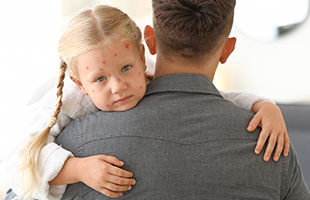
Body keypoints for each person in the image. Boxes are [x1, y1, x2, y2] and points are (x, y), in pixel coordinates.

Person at [2, 3, 295, 200]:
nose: (118, 87)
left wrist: (263, 105)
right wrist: (77, 169)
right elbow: (20, 166)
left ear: (146, 49)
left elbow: (214, 96)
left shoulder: (77, 140)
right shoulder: (61, 113)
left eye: (126, 69)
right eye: (100, 79)